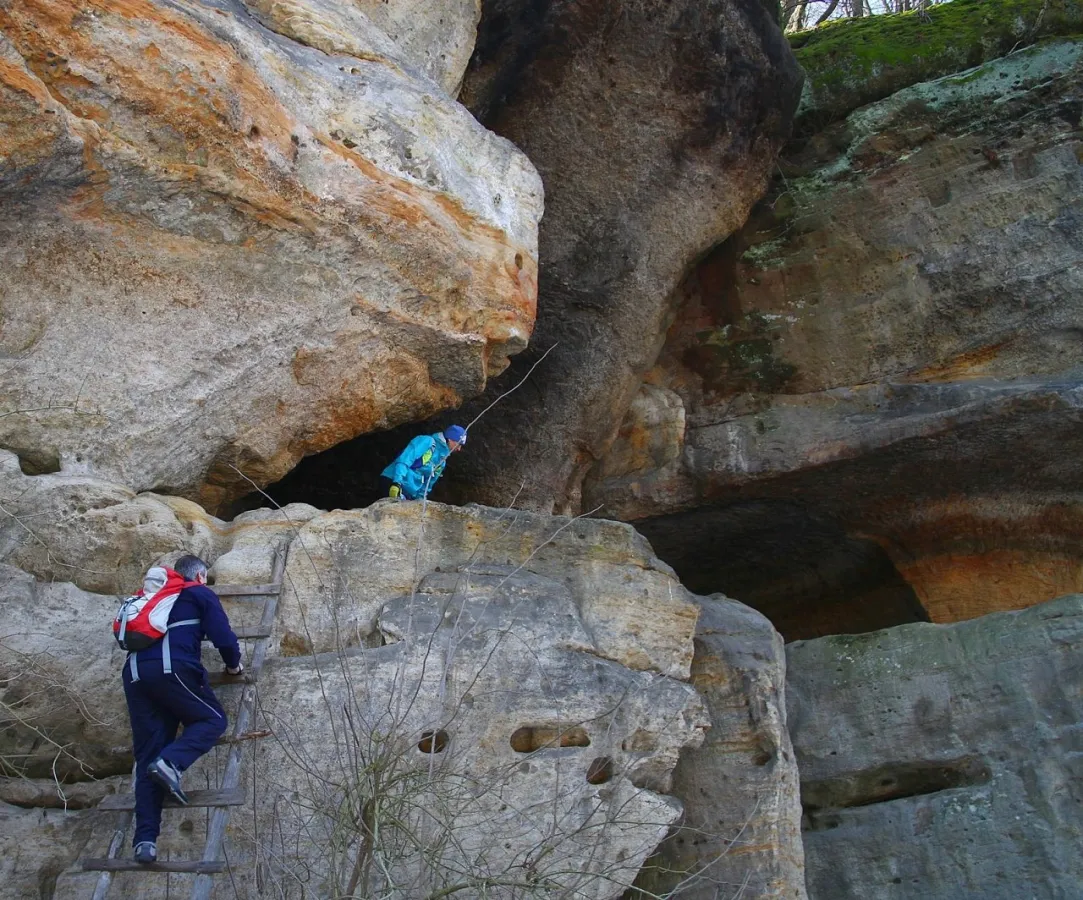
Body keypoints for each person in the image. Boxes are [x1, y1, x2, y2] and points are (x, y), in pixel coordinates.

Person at [122, 554, 243, 864]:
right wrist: (233, 666)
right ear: (200, 576)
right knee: (212, 720)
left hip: (135, 676)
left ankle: (145, 841)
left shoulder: (153, 599)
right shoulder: (198, 593)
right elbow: (223, 638)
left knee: (148, 755)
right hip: (171, 670)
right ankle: (172, 763)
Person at [381, 424, 467, 500]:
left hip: (408, 492)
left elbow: (427, 485)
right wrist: (397, 483)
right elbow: (405, 459)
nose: (459, 449)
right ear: (450, 439)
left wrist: (420, 500)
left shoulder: (442, 461)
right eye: (459, 444)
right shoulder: (427, 441)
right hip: (392, 481)